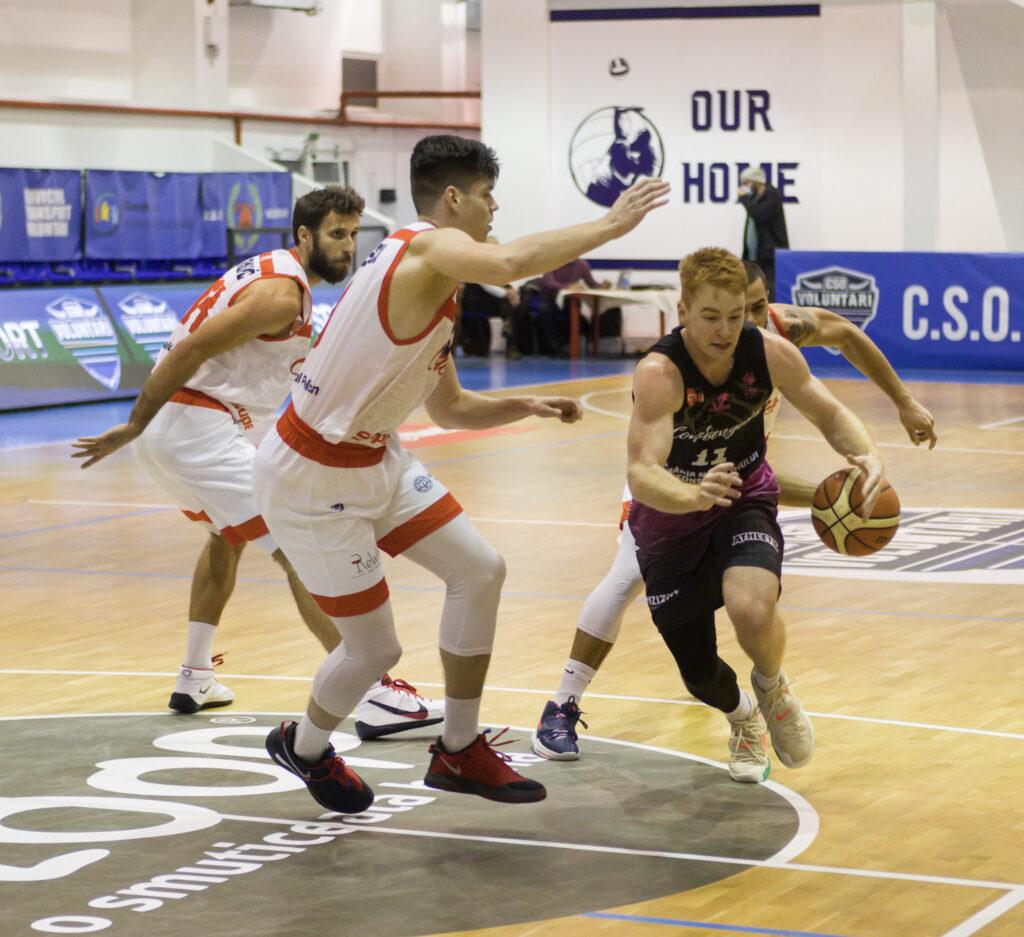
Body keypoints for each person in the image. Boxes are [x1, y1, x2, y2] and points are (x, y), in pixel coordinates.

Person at [252, 134, 669, 813]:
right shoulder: (423, 246)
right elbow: (508, 262)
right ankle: (302, 745)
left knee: (480, 569)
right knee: (373, 647)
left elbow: (448, 407)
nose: (494, 206)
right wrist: (612, 224)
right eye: (484, 195)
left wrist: (521, 403)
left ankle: (458, 747)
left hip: (372, 457)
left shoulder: (435, 286)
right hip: (311, 473)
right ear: (452, 199)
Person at [535, 249, 924, 781]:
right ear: (683, 311)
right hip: (670, 515)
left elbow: (828, 410)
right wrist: (692, 495)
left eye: (737, 315)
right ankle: (742, 715)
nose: (725, 330)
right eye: (711, 317)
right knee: (699, 675)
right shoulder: (659, 373)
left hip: (744, 495)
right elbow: (643, 471)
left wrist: (866, 452)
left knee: (751, 607)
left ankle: (771, 684)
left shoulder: (770, 349)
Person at [71, 186, 443, 741]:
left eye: (352, 235)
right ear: (303, 236)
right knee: (302, 548)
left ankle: (195, 675)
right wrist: (134, 424)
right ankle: (371, 693)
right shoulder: (281, 294)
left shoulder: (284, 284)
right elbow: (190, 349)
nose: (346, 246)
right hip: (196, 429)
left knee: (228, 537)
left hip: (192, 432)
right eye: (335, 234)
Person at [535, 257, 612, 355]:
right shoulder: (553, 261)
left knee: (576, 309)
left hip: (569, 299)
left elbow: (591, 283)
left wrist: (603, 287)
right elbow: (549, 283)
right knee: (545, 310)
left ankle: (573, 345)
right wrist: (568, 287)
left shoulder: (582, 264)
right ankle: (553, 345)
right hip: (550, 298)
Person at [738, 167, 788, 299]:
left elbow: (758, 215)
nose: (745, 187)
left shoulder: (772, 195)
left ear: (756, 181)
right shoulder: (753, 198)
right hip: (754, 254)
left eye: (747, 182)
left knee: (769, 290)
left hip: (770, 254)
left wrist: (743, 199)